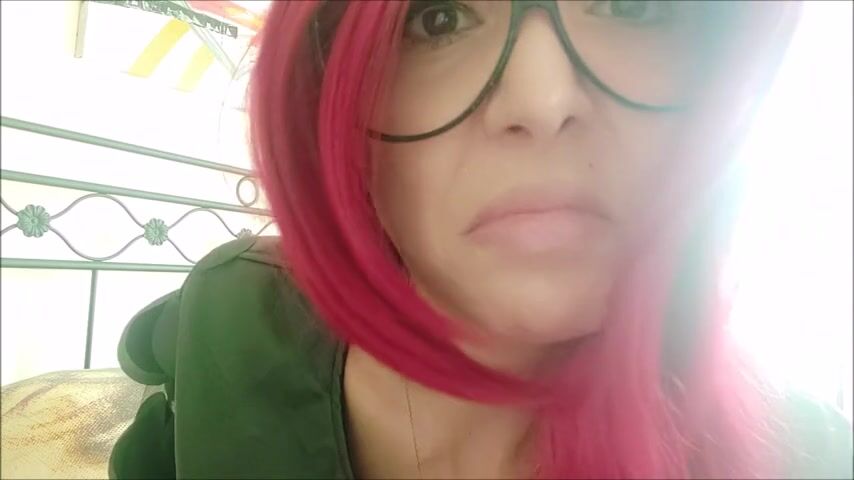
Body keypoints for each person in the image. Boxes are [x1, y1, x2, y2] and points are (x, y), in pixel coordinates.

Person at [109, 1, 853, 478]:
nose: (542, 101)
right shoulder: (233, 321)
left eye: (631, 4)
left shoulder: (806, 456)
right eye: (437, 18)